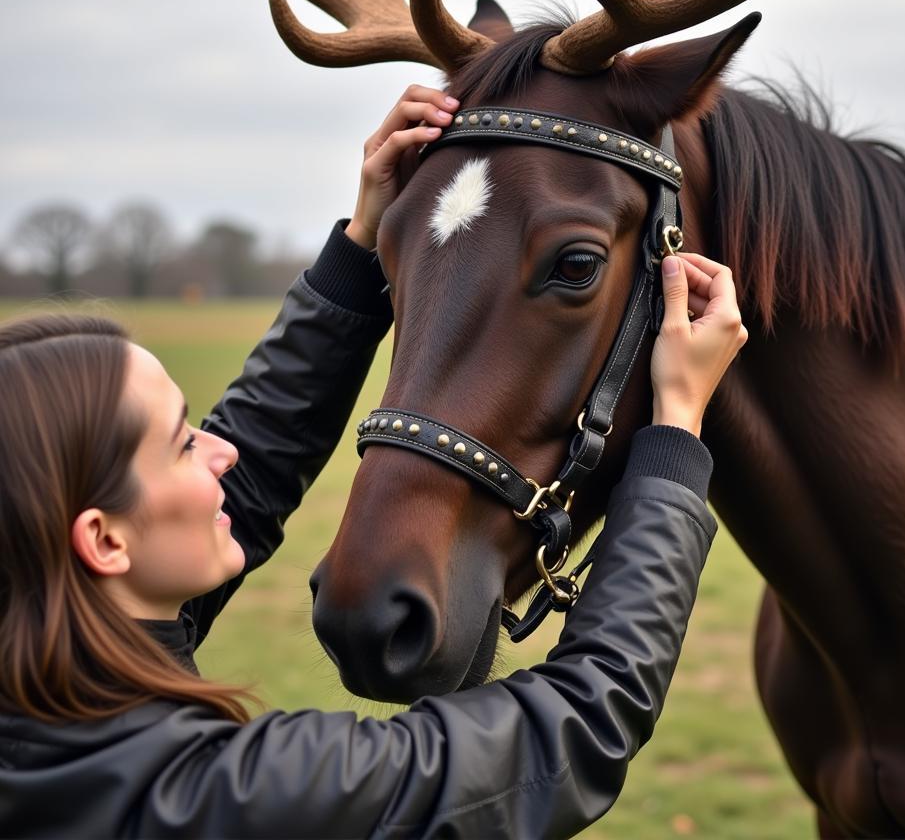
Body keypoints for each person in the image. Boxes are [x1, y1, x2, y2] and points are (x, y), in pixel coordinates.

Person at [0, 86, 748, 839]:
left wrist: (363, 244)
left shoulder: (43, 691)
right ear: (103, 541)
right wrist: (675, 432)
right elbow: (576, 731)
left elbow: (255, 468)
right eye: (181, 441)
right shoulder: (209, 800)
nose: (223, 447)